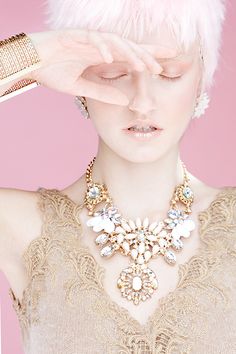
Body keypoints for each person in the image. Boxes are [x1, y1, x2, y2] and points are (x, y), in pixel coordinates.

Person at [0, 0, 235, 353]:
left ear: (202, 76)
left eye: (169, 73)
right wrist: (33, 55)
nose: (142, 102)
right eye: (114, 74)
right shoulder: (22, 227)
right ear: (79, 80)